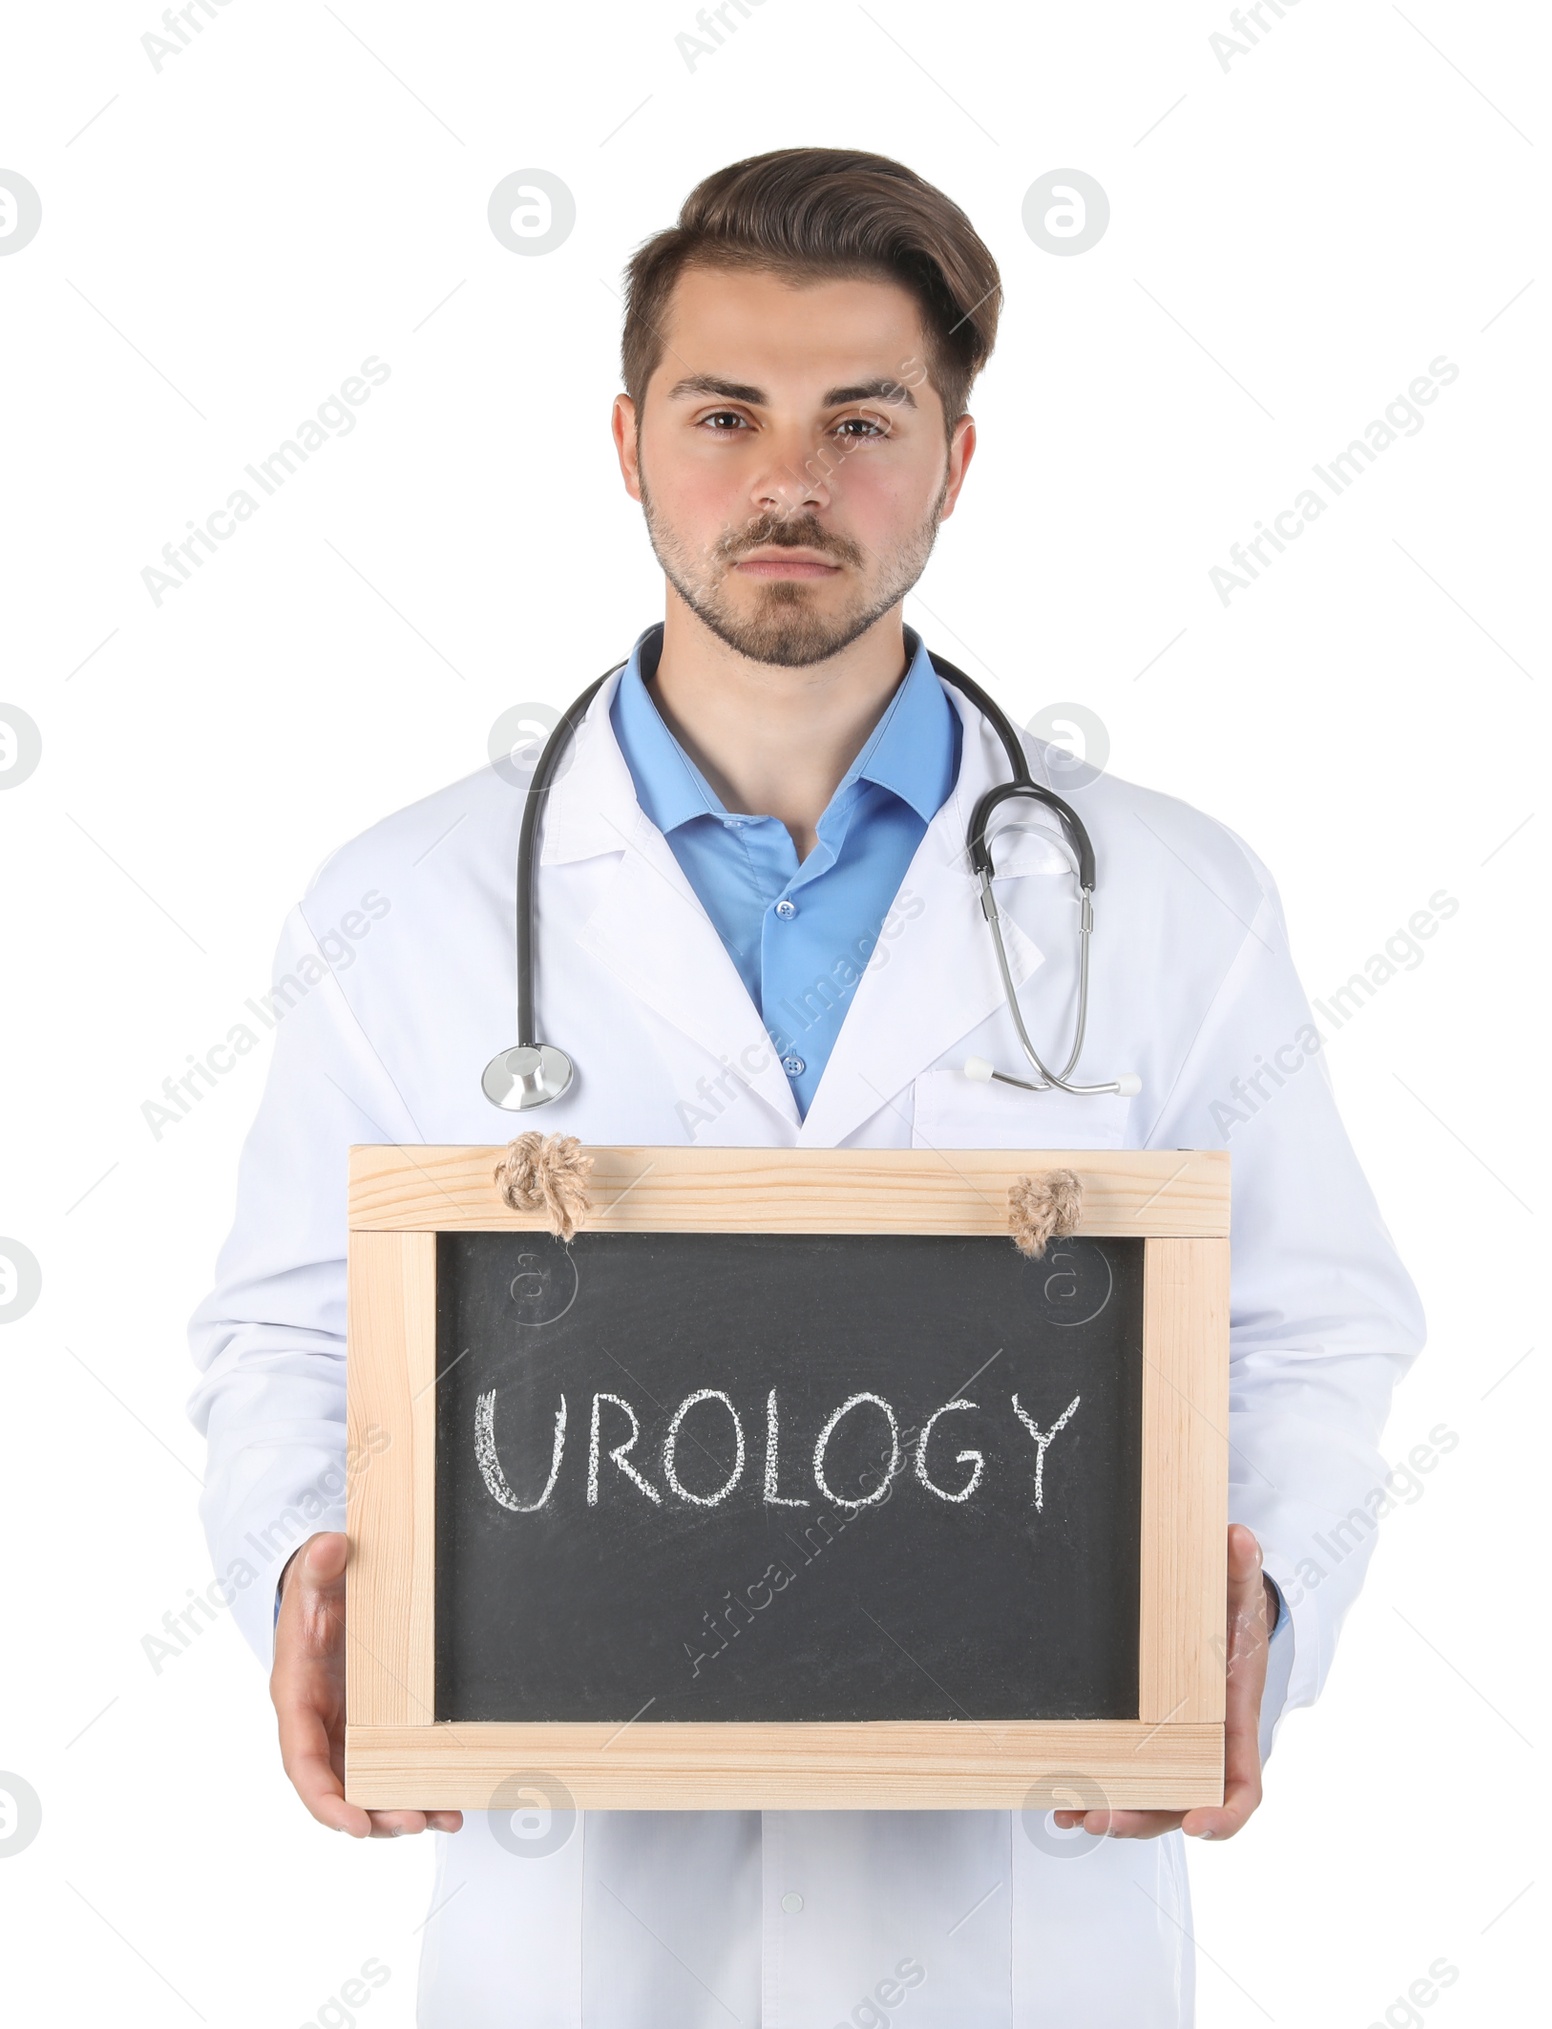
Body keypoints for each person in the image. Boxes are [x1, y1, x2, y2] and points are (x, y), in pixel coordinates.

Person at [188, 147, 1425, 2027]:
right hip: (585, 1921)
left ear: (953, 457)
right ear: (627, 443)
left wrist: (1246, 1624)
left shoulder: (1170, 896)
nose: (791, 480)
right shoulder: (404, 907)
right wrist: (304, 1573)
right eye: (725, 412)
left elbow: (1312, 1331)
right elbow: (285, 1336)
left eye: (862, 417)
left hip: (1019, 1913)